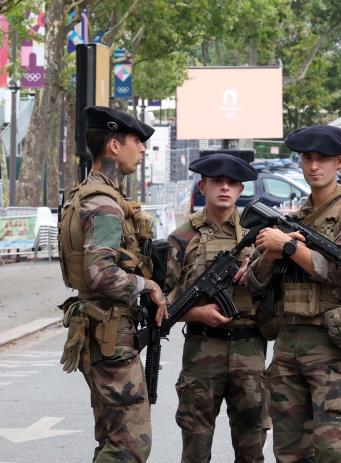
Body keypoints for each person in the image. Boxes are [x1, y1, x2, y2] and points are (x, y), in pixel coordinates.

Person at [242, 125, 341, 462]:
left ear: (339, 162)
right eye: (307, 159)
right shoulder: (294, 218)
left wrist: (287, 248)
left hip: (330, 348)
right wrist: (270, 256)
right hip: (287, 347)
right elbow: (254, 284)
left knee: (332, 451)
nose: (314, 166)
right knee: (289, 452)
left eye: (323, 159)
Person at [57, 106, 167, 462]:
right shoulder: (105, 204)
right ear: (114, 146)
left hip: (98, 327)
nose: (143, 149)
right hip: (110, 332)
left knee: (110, 437)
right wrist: (145, 285)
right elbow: (100, 273)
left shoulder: (85, 193)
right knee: (130, 443)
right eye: (138, 141)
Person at [164, 153, 269, 462]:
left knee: (251, 449)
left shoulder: (261, 239)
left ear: (240, 190)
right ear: (202, 186)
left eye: (232, 183)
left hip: (250, 349)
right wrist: (196, 313)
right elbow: (159, 298)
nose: (224, 188)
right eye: (217, 182)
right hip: (201, 350)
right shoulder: (182, 238)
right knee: (195, 447)